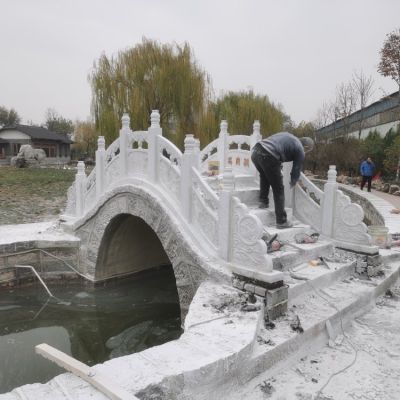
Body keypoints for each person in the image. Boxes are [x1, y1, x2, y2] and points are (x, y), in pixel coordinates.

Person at [251, 132, 314, 229]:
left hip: (255, 151)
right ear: (305, 146)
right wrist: (293, 181)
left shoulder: (289, 137)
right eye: (307, 150)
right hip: (268, 155)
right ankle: (281, 221)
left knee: (264, 177)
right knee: (279, 189)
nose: (305, 152)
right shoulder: (300, 148)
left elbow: (277, 148)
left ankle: (263, 202)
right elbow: (296, 168)